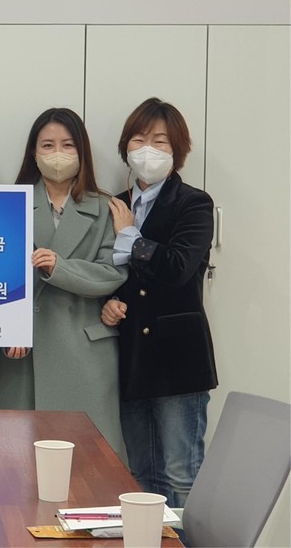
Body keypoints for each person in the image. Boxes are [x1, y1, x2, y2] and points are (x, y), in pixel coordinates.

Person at [101, 97, 218, 507]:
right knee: (139, 476)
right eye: (139, 139)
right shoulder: (113, 203)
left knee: (182, 476)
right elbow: (107, 272)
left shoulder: (194, 203)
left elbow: (178, 268)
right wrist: (110, 301)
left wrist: (130, 236)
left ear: (177, 150)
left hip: (179, 361)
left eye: (160, 141)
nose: (147, 149)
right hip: (132, 357)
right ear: (125, 148)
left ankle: (188, 539)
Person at [0, 108, 128, 458]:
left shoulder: (106, 207)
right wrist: (7, 333)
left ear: (82, 152)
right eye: (47, 145)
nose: (57, 154)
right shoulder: (9, 205)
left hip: (84, 352)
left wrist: (59, 267)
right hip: (24, 353)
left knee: (90, 464)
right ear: (33, 153)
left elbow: (112, 274)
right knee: (16, 464)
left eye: (68, 145)